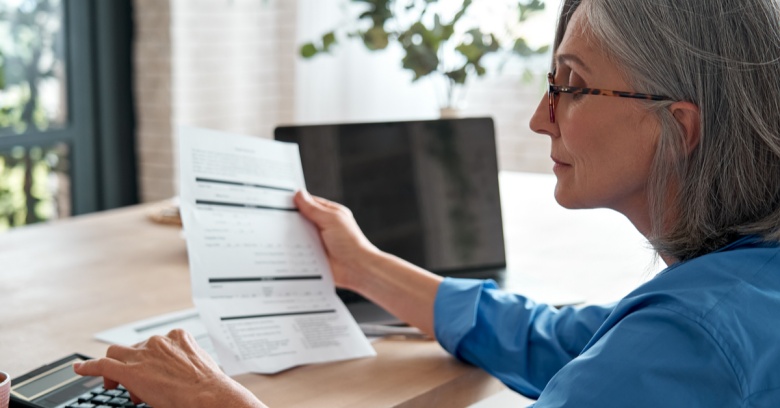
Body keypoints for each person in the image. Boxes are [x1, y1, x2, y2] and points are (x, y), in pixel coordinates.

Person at [74, 0, 780, 405]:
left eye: (571, 84)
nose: (541, 117)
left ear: (677, 128)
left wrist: (219, 402)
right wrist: (365, 266)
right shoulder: (737, 294)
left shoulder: (689, 343)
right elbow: (561, 340)